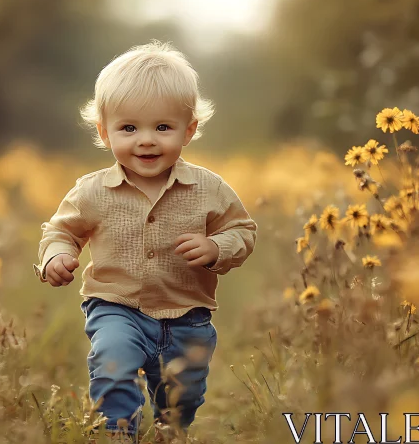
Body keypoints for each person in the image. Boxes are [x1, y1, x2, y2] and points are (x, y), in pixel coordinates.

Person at [33, 40, 257, 443]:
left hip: (188, 315)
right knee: (112, 363)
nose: (147, 140)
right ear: (104, 132)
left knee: (179, 401)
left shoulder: (209, 188)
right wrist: (57, 256)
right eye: (129, 128)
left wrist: (216, 248)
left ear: (189, 131)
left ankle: (169, 433)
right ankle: (119, 433)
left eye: (163, 127)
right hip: (115, 306)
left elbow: (242, 230)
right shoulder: (91, 191)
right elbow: (60, 230)